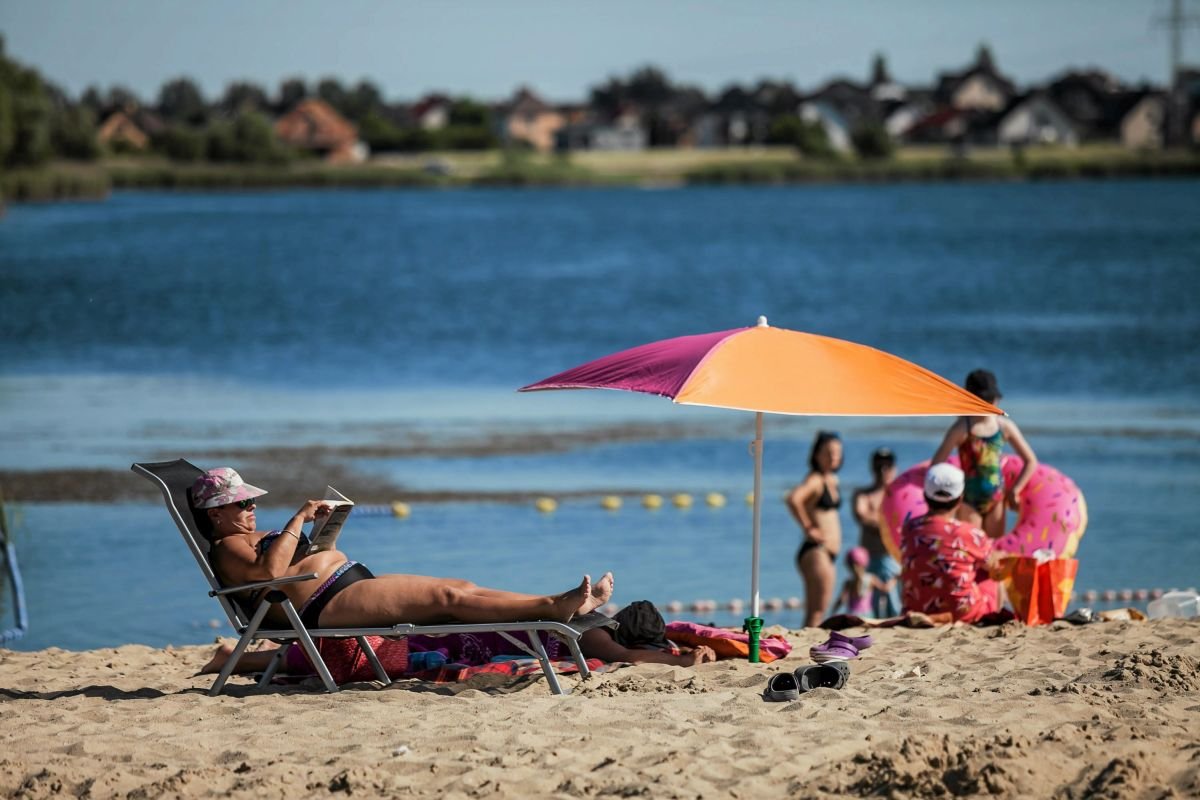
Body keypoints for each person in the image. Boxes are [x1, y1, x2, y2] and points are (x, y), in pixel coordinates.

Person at [190, 467, 613, 630]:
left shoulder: (252, 535)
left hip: (345, 581)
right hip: (325, 603)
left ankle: (558, 602)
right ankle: (552, 608)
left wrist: (322, 533)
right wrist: (298, 517)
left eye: (251, 501)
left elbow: (289, 562)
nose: (251, 507)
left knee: (461, 587)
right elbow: (269, 575)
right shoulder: (226, 547)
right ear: (215, 513)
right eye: (241, 504)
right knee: (448, 600)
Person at [931, 369, 1037, 540]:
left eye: (989, 400)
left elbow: (1030, 461)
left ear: (996, 399)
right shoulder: (962, 428)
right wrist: (949, 493)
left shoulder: (1003, 427)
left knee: (992, 548)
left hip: (996, 499)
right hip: (968, 500)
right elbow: (937, 464)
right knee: (970, 546)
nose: (986, 404)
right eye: (981, 400)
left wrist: (1015, 490)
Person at [899, 462, 1001, 623]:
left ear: (925, 495)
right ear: (960, 499)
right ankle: (987, 616)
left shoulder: (909, 528)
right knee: (989, 573)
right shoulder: (970, 533)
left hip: (916, 607)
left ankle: (933, 616)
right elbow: (994, 565)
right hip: (960, 611)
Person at [786, 431, 843, 628]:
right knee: (816, 612)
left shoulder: (832, 479)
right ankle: (808, 644)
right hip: (817, 551)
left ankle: (808, 642)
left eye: (837, 452)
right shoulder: (816, 479)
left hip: (827, 554)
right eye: (828, 452)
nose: (833, 457)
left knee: (819, 611)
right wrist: (808, 527)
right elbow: (793, 499)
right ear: (817, 454)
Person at [851, 447, 901, 617]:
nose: (883, 470)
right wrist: (889, 523)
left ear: (894, 468)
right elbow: (862, 515)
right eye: (879, 466)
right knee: (869, 608)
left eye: (887, 466)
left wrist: (878, 520)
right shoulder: (863, 494)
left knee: (896, 607)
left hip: (893, 559)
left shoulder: (900, 495)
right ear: (872, 468)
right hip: (869, 558)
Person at [835, 546, 887, 617]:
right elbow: (884, 588)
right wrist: (895, 578)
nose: (854, 567)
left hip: (854, 614)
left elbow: (841, 600)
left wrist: (833, 612)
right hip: (866, 614)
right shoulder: (871, 579)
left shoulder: (849, 582)